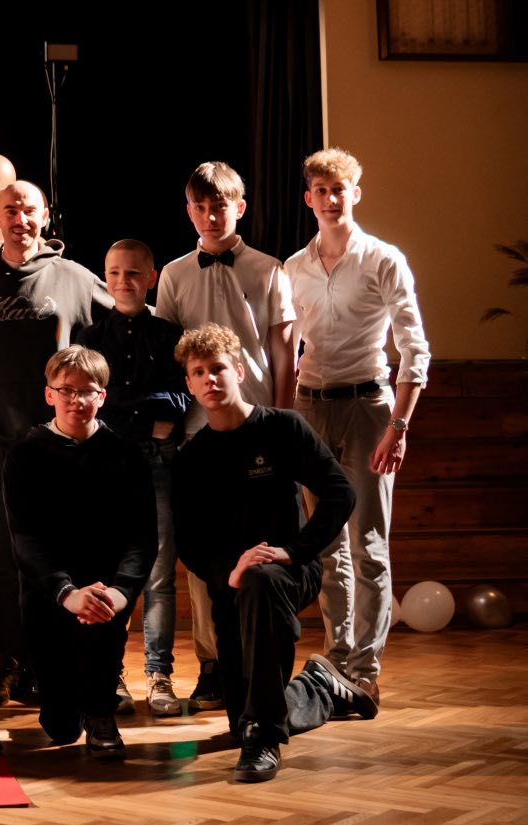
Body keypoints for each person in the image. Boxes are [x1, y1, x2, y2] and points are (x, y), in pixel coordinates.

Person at [172, 323, 373, 783]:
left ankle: (264, 738)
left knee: (262, 584)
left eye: (218, 368)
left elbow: (340, 493)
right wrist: (231, 572)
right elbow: (190, 543)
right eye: (199, 372)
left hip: (288, 571)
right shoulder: (190, 459)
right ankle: (317, 686)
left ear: (239, 371)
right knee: (240, 717)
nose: (210, 379)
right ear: (189, 384)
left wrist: (293, 551)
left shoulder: (283, 427)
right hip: (230, 584)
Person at [0, 179, 113, 706]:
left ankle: (66, 661)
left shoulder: (75, 279)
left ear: (45, 217)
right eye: (10, 210)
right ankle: (11, 662)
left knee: (63, 554)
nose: (20, 218)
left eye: (29, 210)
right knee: (3, 557)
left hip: (59, 447)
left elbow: (120, 333)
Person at [286, 148, 430, 707]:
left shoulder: (384, 260)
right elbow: (287, 346)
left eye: (339, 190)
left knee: (368, 542)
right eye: (321, 191)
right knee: (328, 542)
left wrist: (400, 424)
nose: (330, 199)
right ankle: (337, 657)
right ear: (309, 198)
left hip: (368, 406)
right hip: (310, 406)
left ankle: (365, 668)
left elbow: (415, 348)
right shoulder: (294, 267)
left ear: (355, 194)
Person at [152, 161, 298, 712]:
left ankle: (267, 658)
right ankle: (213, 661)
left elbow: (284, 351)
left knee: (265, 541)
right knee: (206, 546)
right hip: (198, 431)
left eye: (220, 206)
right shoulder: (173, 275)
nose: (211, 216)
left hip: (258, 423)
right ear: (189, 211)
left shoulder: (268, 269)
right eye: (201, 207)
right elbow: (170, 360)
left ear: (240, 207)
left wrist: (282, 420)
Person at [2, 346, 155, 758]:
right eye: (66, 390)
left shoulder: (126, 455)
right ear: (49, 394)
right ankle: (68, 708)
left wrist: (121, 592)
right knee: (60, 727)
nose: (76, 400)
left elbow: (143, 538)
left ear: (101, 396)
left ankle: (102, 713)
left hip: (105, 591)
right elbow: (25, 539)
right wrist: (66, 592)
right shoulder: (25, 454)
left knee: (100, 631)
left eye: (87, 391)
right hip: (48, 593)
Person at [74, 239, 190, 716]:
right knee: (107, 572)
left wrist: (122, 410)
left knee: (159, 575)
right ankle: (112, 674)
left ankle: (160, 675)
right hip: (106, 466)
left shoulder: (169, 335)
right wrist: (144, 415)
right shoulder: (89, 335)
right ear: (105, 277)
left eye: (134, 273)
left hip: (159, 462)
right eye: (115, 273)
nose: (124, 281)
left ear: (152, 278)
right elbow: (90, 403)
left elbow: (179, 402)